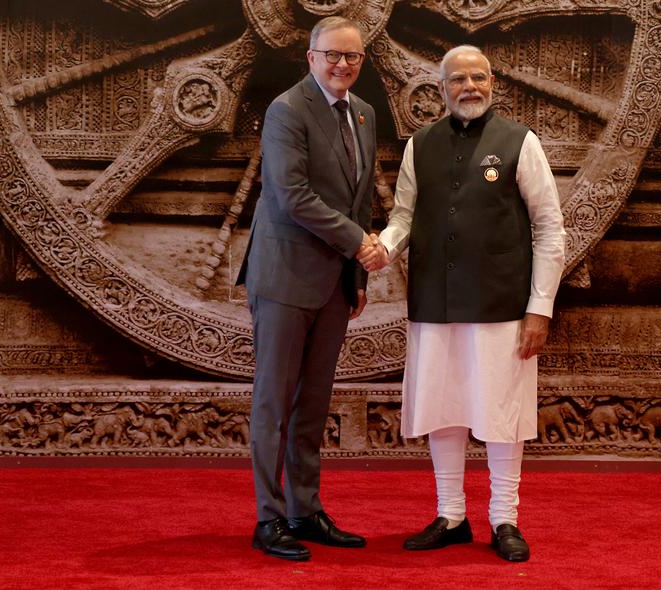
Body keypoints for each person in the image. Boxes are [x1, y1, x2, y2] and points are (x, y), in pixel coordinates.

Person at [360, 45, 565, 562]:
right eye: (458, 80)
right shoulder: (419, 145)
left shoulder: (521, 142)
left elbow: (549, 228)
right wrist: (383, 246)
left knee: (502, 413)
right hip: (434, 301)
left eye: (478, 77)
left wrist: (540, 307)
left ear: (492, 82)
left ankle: (504, 519)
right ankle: (451, 515)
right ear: (442, 87)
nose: (469, 87)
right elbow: (404, 215)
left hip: (503, 304)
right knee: (442, 409)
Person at [236, 16, 377, 562]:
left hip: (334, 284)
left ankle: (305, 509)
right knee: (275, 402)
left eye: (352, 57)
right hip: (285, 277)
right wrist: (360, 244)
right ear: (311, 57)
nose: (342, 65)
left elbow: (359, 201)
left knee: (313, 404)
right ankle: (268, 519)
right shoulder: (286, 109)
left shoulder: (362, 113)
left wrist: (356, 273)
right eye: (332, 55)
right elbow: (291, 195)